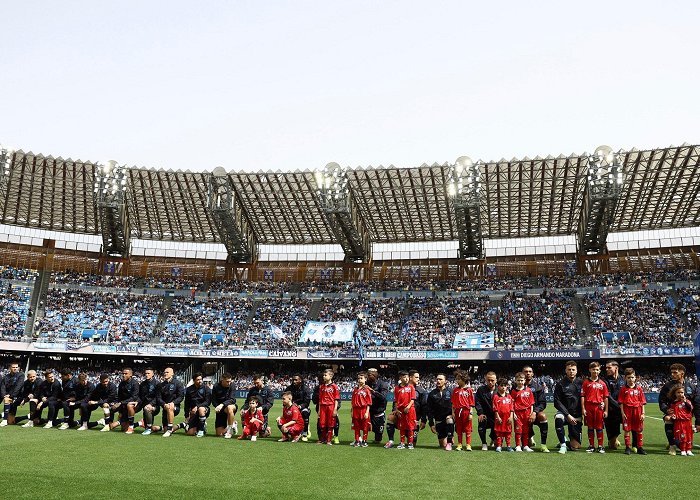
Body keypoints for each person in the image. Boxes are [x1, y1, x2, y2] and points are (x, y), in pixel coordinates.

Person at [658, 363, 700, 456]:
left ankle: (676, 442)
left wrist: (698, 422)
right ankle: (672, 446)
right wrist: (666, 410)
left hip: (686, 416)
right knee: (668, 420)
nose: (672, 374)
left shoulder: (691, 386)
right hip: (673, 413)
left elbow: (696, 404)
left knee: (684, 445)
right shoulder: (667, 386)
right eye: (671, 372)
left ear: (682, 373)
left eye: (675, 372)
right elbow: (662, 401)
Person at [554, 361, 583, 454]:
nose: (571, 371)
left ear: (576, 371)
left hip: (577, 416)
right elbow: (556, 402)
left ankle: (566, 441)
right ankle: (563, 445)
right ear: (565, 371)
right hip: (565, 413)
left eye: (573, 370)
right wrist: (567, 415)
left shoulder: (582, 383)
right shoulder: (560, 384)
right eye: (569, 370)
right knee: (558, 418)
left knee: (576, 447)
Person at [581, 361, 609, 454]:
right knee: (590, 427)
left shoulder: (603, 383)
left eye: (597, 370)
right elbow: (583, 396)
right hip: (589, 407)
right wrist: (583, 409)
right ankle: (591, 445)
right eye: (593, 369)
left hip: (599, 408)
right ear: (590, 370)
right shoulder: (585, 383)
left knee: (599, 427)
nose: (595, 371)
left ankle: (600, 446)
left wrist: (606, 410)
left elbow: (605, 397)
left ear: (600, 371)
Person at [618, 368, 646, 455]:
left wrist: (643, 413)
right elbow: (621, 402)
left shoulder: (639, 389)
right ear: (625, 378)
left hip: (637, 411)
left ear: (635, 378)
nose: (631, 379)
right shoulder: (623, 389)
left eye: (632, 377)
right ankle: (627, 447)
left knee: (639, 430)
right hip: (627, 411)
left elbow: (642, 402)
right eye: (629, 377)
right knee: (627, 429)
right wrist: (622, 413)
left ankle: (640, 447)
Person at [173, 372, 211, 437]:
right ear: (194, 380)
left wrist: (198, 407)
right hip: (193, 412)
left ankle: (201, 430)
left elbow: (208, 402)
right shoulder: (189, 389)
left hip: (204, 410)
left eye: (201, 379)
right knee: (190, 433)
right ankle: (200, 425)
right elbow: (187, 403)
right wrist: (186, 415)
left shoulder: (206, 388)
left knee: (201, 409)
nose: (200, 381)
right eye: (198, 380)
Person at [522, 365, 549, 452]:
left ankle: (543, 445)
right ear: (522, 373)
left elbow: (543, 403)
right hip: (522, 415)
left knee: (543, 416)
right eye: (526, 372)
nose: (528, 373)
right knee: (527, 445)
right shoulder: (517, 387)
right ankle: (530, 436)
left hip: (535, 414)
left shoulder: (538, 387)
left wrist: (534, 412)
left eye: (530, 372)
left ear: (533, 374)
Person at [104, 367, 140, 433]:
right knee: (110, 408)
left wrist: (120, 403)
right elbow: (119, 397)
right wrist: (115, 404)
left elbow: (134, 397)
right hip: (123, 405)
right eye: (123, 373)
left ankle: (138, 423)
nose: (123, 375)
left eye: (126, 373)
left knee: (124, 428)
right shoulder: (121, 384)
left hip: (131, 406)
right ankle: (109, 424)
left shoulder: (135, 384)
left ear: (130, 375)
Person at [426, 373, 454, 451]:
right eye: (437, 379)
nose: (438, 381)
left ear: (445, 381)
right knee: (442, 445)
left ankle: (450, 440)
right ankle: (449, 439)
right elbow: (429, 410)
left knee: (449, 420)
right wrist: (431, 424)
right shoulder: (432, 394)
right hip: (438, 421)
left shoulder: (451, 392)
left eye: (440, 379)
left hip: (449, 419)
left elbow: (455, 406)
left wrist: (453, 415)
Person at [156, 367, 185, 437]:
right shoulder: (160, 385)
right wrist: (164, 404)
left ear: (172, 374)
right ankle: (181, 425)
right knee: (164, 430)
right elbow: (158, 398)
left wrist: (173, 403)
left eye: (167, 372)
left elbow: (181, 397)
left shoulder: (178, 384)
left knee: (170, 408)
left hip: (175, 407)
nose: (165, 374)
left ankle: (169, 429)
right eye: (164, 372)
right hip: (165, 408)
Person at [666, 385, 695, 456]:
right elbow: (673, 412)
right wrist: (673, 416)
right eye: (678, 392)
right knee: (682, 436)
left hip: (687, 422)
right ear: (675, 394)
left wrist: (685, 401)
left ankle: (689, 450)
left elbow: (690, 409)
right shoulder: (673, 403)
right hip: (679, 422)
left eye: (682, 392)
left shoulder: (687, 401)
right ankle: (683, 450)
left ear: (684, 393)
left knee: (689, 436)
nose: (680, 394)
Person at [603, 360, 626, 450]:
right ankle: (613, 440)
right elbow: (608, 396)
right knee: (613, 447)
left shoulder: (624, 379)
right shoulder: (605, 380)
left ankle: (635, 444)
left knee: (633, 427)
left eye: (609, 367)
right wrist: (619, 406)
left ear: (616, 368)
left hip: (623, 409)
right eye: (606, 368)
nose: (607, 369)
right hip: (611, 411)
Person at [510, 372, 535, 452]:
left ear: (524, 381)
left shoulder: (529, 390)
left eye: (521, 380)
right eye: (518, 380)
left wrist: (531, 413)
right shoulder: (513, 391)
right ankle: (518, 446)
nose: (520, 382)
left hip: (527, 412)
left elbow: (531, 404)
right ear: (515, 381)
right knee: (518, 430)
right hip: (517, 413)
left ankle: (525, 445)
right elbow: (512, 404)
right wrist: (513, 413)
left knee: (526, 430)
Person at [283, 374, 311, 441]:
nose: (294, 381)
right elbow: (285, 398)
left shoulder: (306, 389)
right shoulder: (289, 388)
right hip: (291, 407)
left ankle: (305, 433)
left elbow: (307, 402)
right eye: (293, 380)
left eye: (296, 380)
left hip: (302, 407)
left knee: (305, 413)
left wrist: (299, 406)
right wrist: (290, 406)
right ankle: (289, 433)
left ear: (300, 380)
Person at [451, 370, 474, 451]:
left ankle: (468, 445)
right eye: (456, 379)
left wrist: (471, 413)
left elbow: (471, 403)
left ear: (464, 379)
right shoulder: (455, 390)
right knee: (459, 428)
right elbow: (453, 403)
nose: (457, 381)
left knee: (468, 428)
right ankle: (459, 444)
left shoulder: (469, 390)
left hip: (466, 411)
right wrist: (453, 412)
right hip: (458, 411)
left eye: (458, 379)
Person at [316, 369, 340, 445]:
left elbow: (336, 399)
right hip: (323, 406)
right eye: (323, 375)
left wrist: (335, 409)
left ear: (331, 376)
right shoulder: (321, 387)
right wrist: (319, 410)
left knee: (330, 423)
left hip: (331, 406)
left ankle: (329, 440)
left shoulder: (334, 386)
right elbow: (320, 399)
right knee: (322, 423)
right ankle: (323, 439)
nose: (324, 376)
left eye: (325, 375)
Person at [475, 371, 497, 451]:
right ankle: (484, 443)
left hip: (496, 416)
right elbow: (477, 402)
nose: (490, 382)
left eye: (492, 380)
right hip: (485, 415)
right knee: (481, 420)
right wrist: (480, 413)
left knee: (497, 445)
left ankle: (493, 437)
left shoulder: (500, 390)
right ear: (486, 380)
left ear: (496, 380)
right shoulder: (481, 390)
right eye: (488, 380)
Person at [133, 367, 159, 435]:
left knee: (147, 408)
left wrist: (151, 404)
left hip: (154, 406)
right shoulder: (142, 384)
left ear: (153, 374)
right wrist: (136, 401)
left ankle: (149, 428)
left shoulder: (157, 384)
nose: (147, 375)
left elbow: (158, 397)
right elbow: (140, 396)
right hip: (144, 405)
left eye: (148, 373)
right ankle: (128, 424)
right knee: (130, 406)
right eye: (146, 373)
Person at [393, 370, 415, 449]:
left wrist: (408, 407)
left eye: (407, 377)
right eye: (404, 377)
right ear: (400, 378)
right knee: (401, 427)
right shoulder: (396, 388)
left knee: (410, 426)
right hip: (401, 410)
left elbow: (412, 399)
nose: (406, 379)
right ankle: (402, 442)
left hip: (410, 409)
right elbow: (395, 400)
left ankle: (410, 443)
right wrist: (396, 409)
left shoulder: (411, 387)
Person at [366, 368, 389, 444]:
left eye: (370, 375)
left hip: (379, 411)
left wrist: (372, 391)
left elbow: (383, 397)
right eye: (368, 375)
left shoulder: (382, 384)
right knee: (363, 427)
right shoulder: (366, 383)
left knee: (378, 436)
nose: (368, 377)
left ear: (375, 375)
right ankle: (361, 440)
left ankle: (377, 439)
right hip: (369, 411)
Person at [212, 373, 238, 438]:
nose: (229, 383)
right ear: (222, 380)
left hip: (230, 406)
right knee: (219, 434)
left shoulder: (232, 385)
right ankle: (233, 424)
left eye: (230, 381)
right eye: (227, 381)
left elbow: (232, 399)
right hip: (220, 409)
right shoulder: (216, 386)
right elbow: (213, 400)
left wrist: (222, 404)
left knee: (229, 408)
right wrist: (217, 407)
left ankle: (229, 431)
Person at [350, 371, 372, 447]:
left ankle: (364, 441)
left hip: (364, 409)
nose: (359, 380)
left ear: (365, 379)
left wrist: (367, 412)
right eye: (358, 378)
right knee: (356, 427)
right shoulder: (355, 390)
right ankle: (357, 440)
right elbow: (352, 402)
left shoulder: (367, 389)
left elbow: (369, 402)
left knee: (365, 426)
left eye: (361, 378)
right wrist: (352, 411)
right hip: (356, 410)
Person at [0, 360, 25, 426]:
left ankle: (4, 420)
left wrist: (11, 395)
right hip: (8, 397)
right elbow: (3, 387)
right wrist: (4, 395)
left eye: (16, 367)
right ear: (10, 368)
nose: (15, 368)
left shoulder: (21, 375)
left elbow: (18, 387)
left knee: (7, 400)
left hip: (18, 397)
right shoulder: (6, 377)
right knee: (11, 422)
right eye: (13, 367)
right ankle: (27, 416)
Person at [492, 378, 514, 452]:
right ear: (498, 386)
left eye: (505, 385)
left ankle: (508, 446)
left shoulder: (509, 396)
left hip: (507, 418)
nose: (503, 387)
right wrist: (497, 417)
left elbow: (511, 408)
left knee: (508, 433)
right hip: (500, 419)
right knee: (499, 433)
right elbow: (495, 408)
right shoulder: (496, 397)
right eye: (501, 385)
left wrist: (511, 417)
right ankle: (499, 446)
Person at [409, 370, 428, 447]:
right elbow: (396, 401)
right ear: (410, 377)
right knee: (391, 419)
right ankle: (391, 441)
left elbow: (424, 406)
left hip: (415, 418)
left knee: (413, 442)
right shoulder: (401, 388)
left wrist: (423, 420)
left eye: (418, 377)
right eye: (416, 377)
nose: (418, 379)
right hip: (402, 416)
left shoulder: (421, 391)